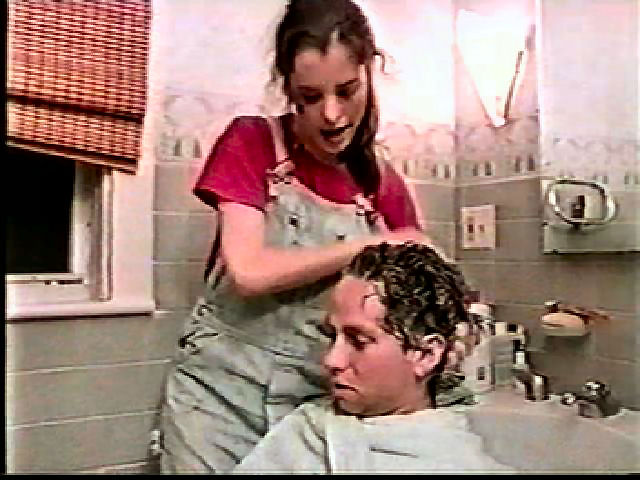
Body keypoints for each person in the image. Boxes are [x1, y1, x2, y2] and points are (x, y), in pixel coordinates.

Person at [159, 0, 449, 473]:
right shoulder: (252, 142)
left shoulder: (380, 184)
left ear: (369, 71)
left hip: (315, 406)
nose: (331, 114)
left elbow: (405, 311)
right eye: (310, 97)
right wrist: (373, 244)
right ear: (288, 88)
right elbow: (249, 272)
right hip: (217, 399)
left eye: (347, 91)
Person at [233, 242, 514, 474]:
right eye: (332, 336)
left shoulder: (456, 463)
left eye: (358, 341)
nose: (332, 360)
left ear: (425, 355)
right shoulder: (304, 431)